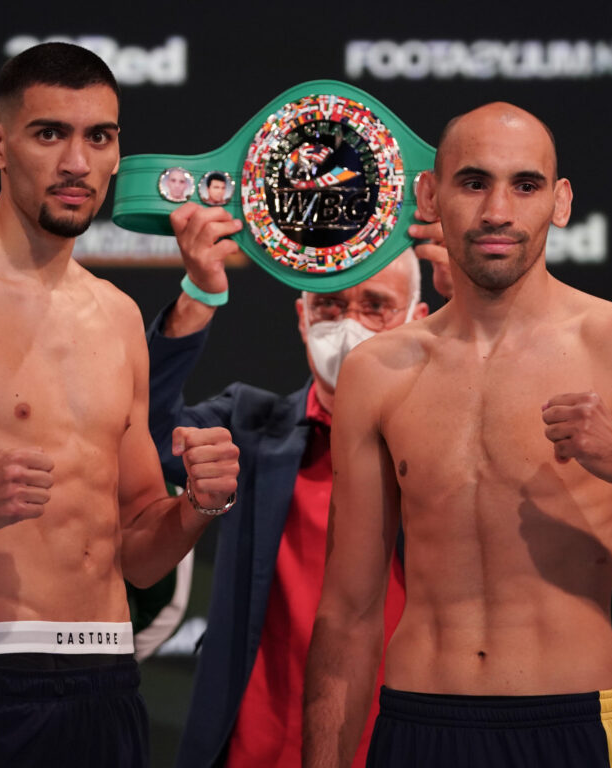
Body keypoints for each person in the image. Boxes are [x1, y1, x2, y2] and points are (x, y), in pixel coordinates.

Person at [0, 42, 239, 768]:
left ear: (117, 155)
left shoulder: (117, 316)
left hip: (109, 681)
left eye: (99, 137)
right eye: (50, 133)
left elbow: (138, 554)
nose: (77, 163)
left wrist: (197, 507)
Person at [303, 102, 612, 768]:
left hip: (567, 725)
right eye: (473, 182)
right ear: (430, 197)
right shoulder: (376, 372)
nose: (498, 211)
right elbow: (348, 613)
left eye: (525, 185)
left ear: (560, 202)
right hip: (417, 726)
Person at [146, 202, 448, 767]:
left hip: (404, 744)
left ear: (418, 316)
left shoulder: (450, 445)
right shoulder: (248, 427)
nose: (348, 324)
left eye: (375, 306)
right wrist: (198, 295)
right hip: (254, 747)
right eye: (329, 305)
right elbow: (146, 434)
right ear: (303, 318)